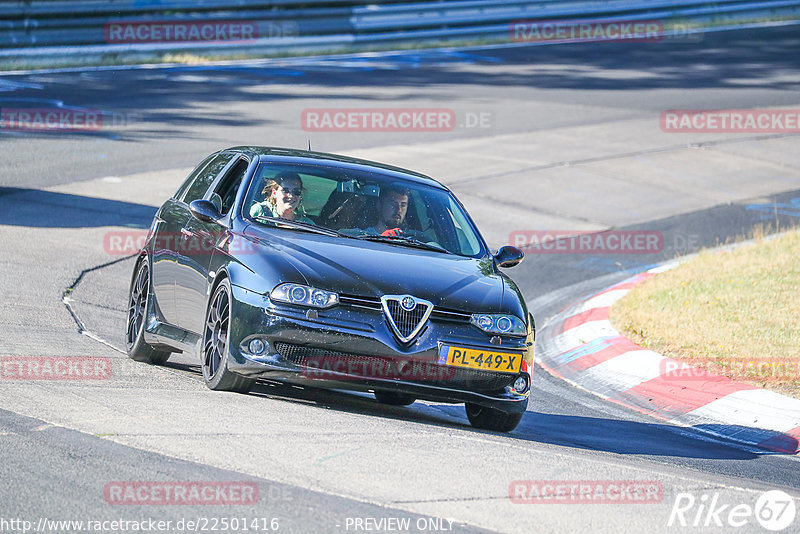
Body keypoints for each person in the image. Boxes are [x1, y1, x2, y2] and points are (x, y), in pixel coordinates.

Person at [250, 171, 314, 224]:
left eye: (296, 191)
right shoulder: (260, 212)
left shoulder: (307, 225)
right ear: (274, 193)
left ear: (300, 196)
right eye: (285, 191)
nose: (291, 196)